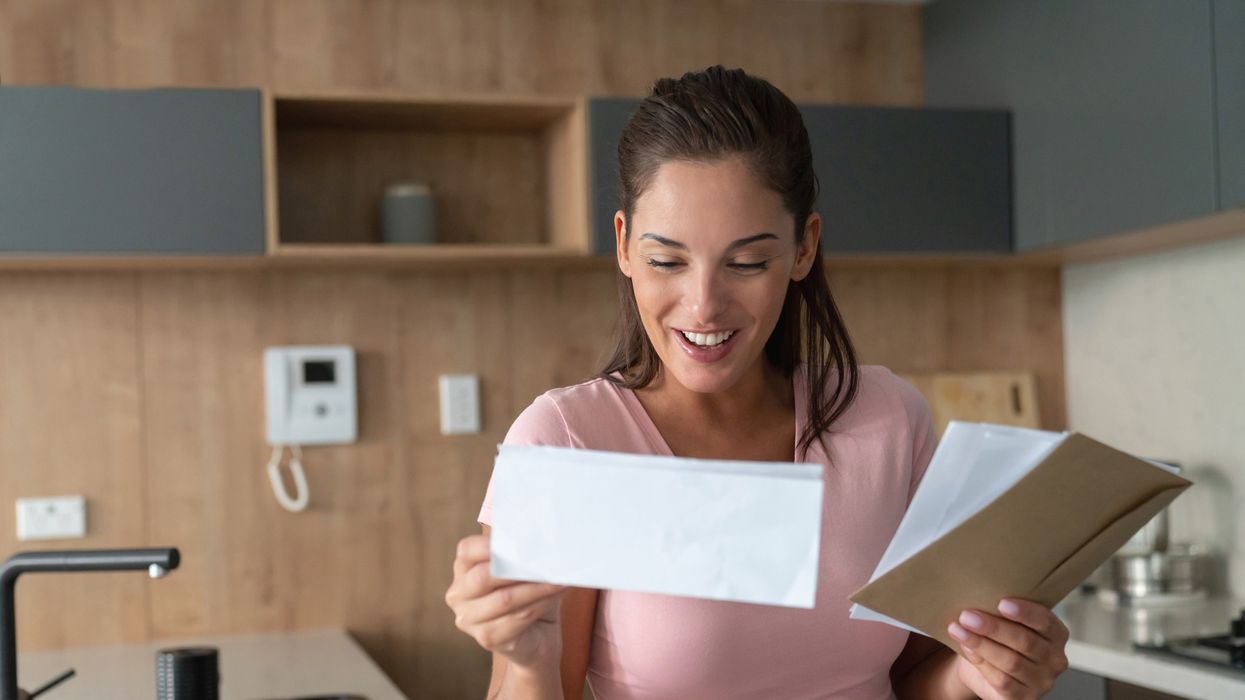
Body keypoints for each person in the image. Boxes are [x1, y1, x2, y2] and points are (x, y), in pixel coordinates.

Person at [445, 65, 1069, 700]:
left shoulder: (889, 420)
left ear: (804, 249)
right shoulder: (565, 443)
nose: (704, 305)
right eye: (668, 260)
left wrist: (977, 673)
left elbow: (910, 678)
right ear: (625, 246)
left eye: (747, 262)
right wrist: (528, 663)